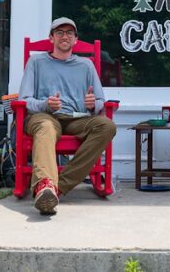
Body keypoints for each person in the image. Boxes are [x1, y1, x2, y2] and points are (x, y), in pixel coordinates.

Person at [19, 17, 117, 215]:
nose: (65, 36)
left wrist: (93, 105)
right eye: (60, 32)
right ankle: (46, 184)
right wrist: (45, 104)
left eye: (69, 33)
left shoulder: (86, 65)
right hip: (44, 116)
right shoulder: (36, 61)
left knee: (107, 126)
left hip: (77, 118)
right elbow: (24, 99)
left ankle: (54, 188)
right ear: (51, 38)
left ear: (75, 39)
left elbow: (100, 101)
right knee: (45, 128)